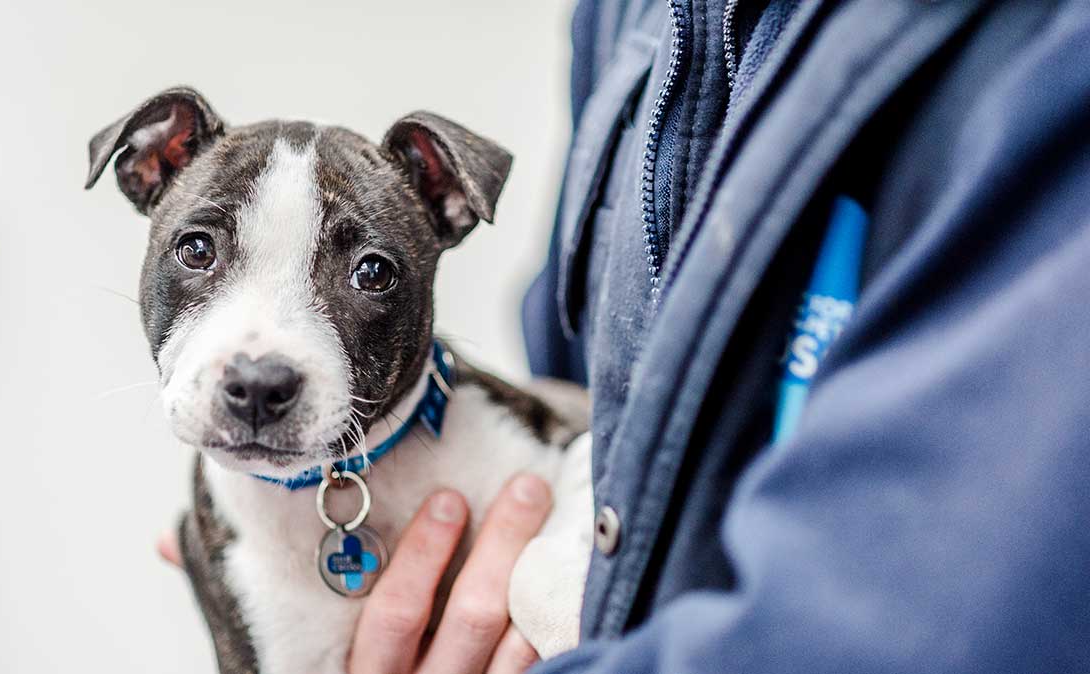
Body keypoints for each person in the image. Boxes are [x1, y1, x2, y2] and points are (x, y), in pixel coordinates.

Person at [165, 1, 1090, 671]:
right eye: (201, 251)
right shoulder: (627, 18)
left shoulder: (1037, 53)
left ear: (448, 203)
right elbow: (593, 371)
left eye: (367, 273)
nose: (259, 361)